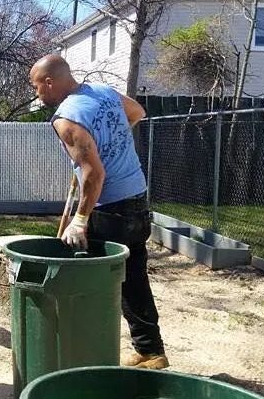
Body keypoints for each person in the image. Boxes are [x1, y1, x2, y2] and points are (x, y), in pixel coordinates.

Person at [29, 54, 168, 369]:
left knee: (86, 282)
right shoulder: (103, 91)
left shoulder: (66, 119)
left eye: (36, 87)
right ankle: (151, 352)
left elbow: (95, 175)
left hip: (110, 210)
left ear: (49, 82)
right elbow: (137, 112)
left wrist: (79, 221)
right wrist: (107, 145)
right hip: (137, 197)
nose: (37, 94)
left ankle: (84, 357)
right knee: (133, 279)